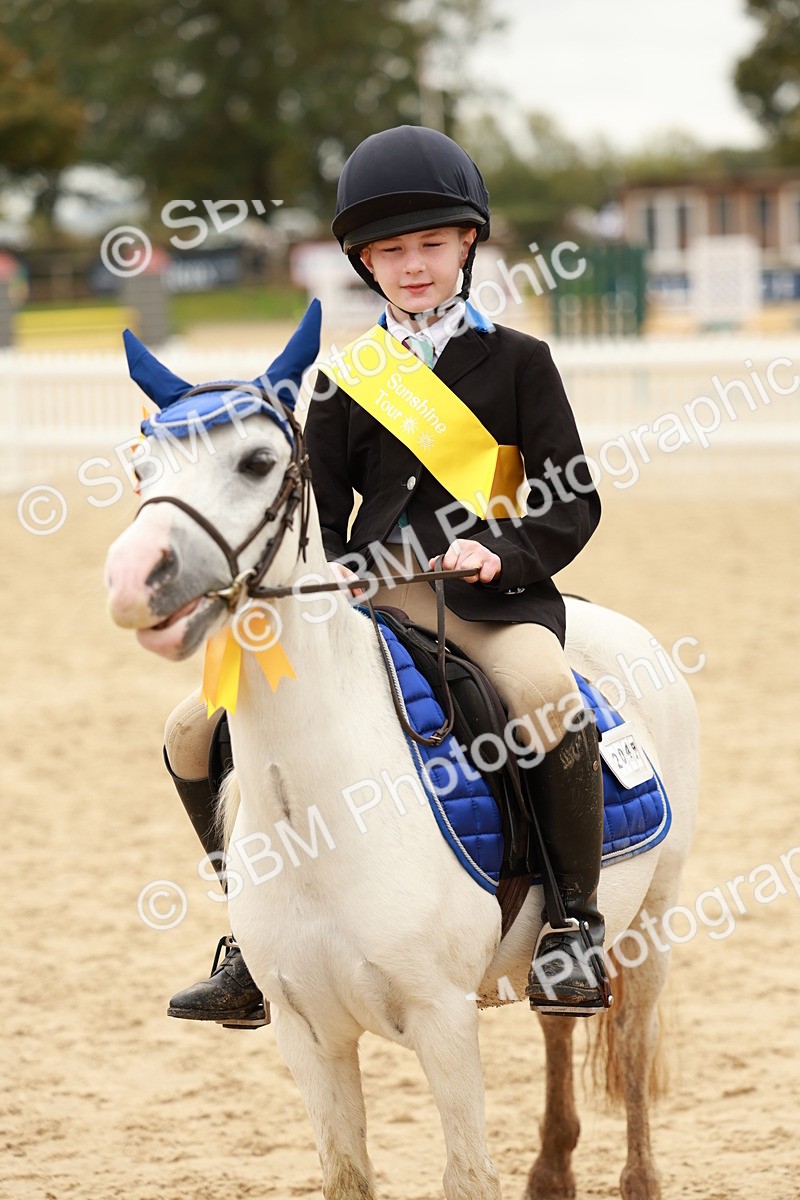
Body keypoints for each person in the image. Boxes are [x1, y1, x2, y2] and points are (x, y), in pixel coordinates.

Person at [164, 124, 609, 1025]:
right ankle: (255, 934)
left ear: (468, 244)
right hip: (369, 598)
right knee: (189, 728)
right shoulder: (342, 382)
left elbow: (572, 504)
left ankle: (572, 926)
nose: (413, 266)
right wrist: (330, 579)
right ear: (366, 263)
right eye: (392, 251)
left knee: (544, 691)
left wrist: (502, 551)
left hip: (490, 595)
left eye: (431, 246)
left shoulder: (522, 362)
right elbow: (320, 522)